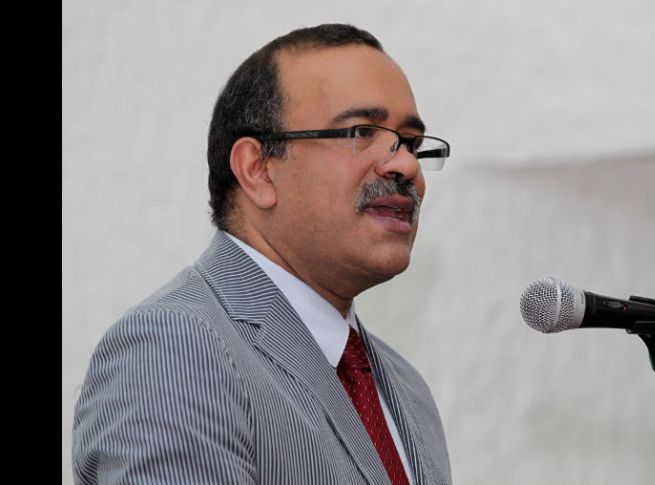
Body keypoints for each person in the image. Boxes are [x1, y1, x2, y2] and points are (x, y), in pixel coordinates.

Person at [72, 24, 452, 485]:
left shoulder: (405, 389)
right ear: (258, 170)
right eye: (361, 131)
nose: (406, 165)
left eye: (411, 142)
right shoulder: (175, 349)